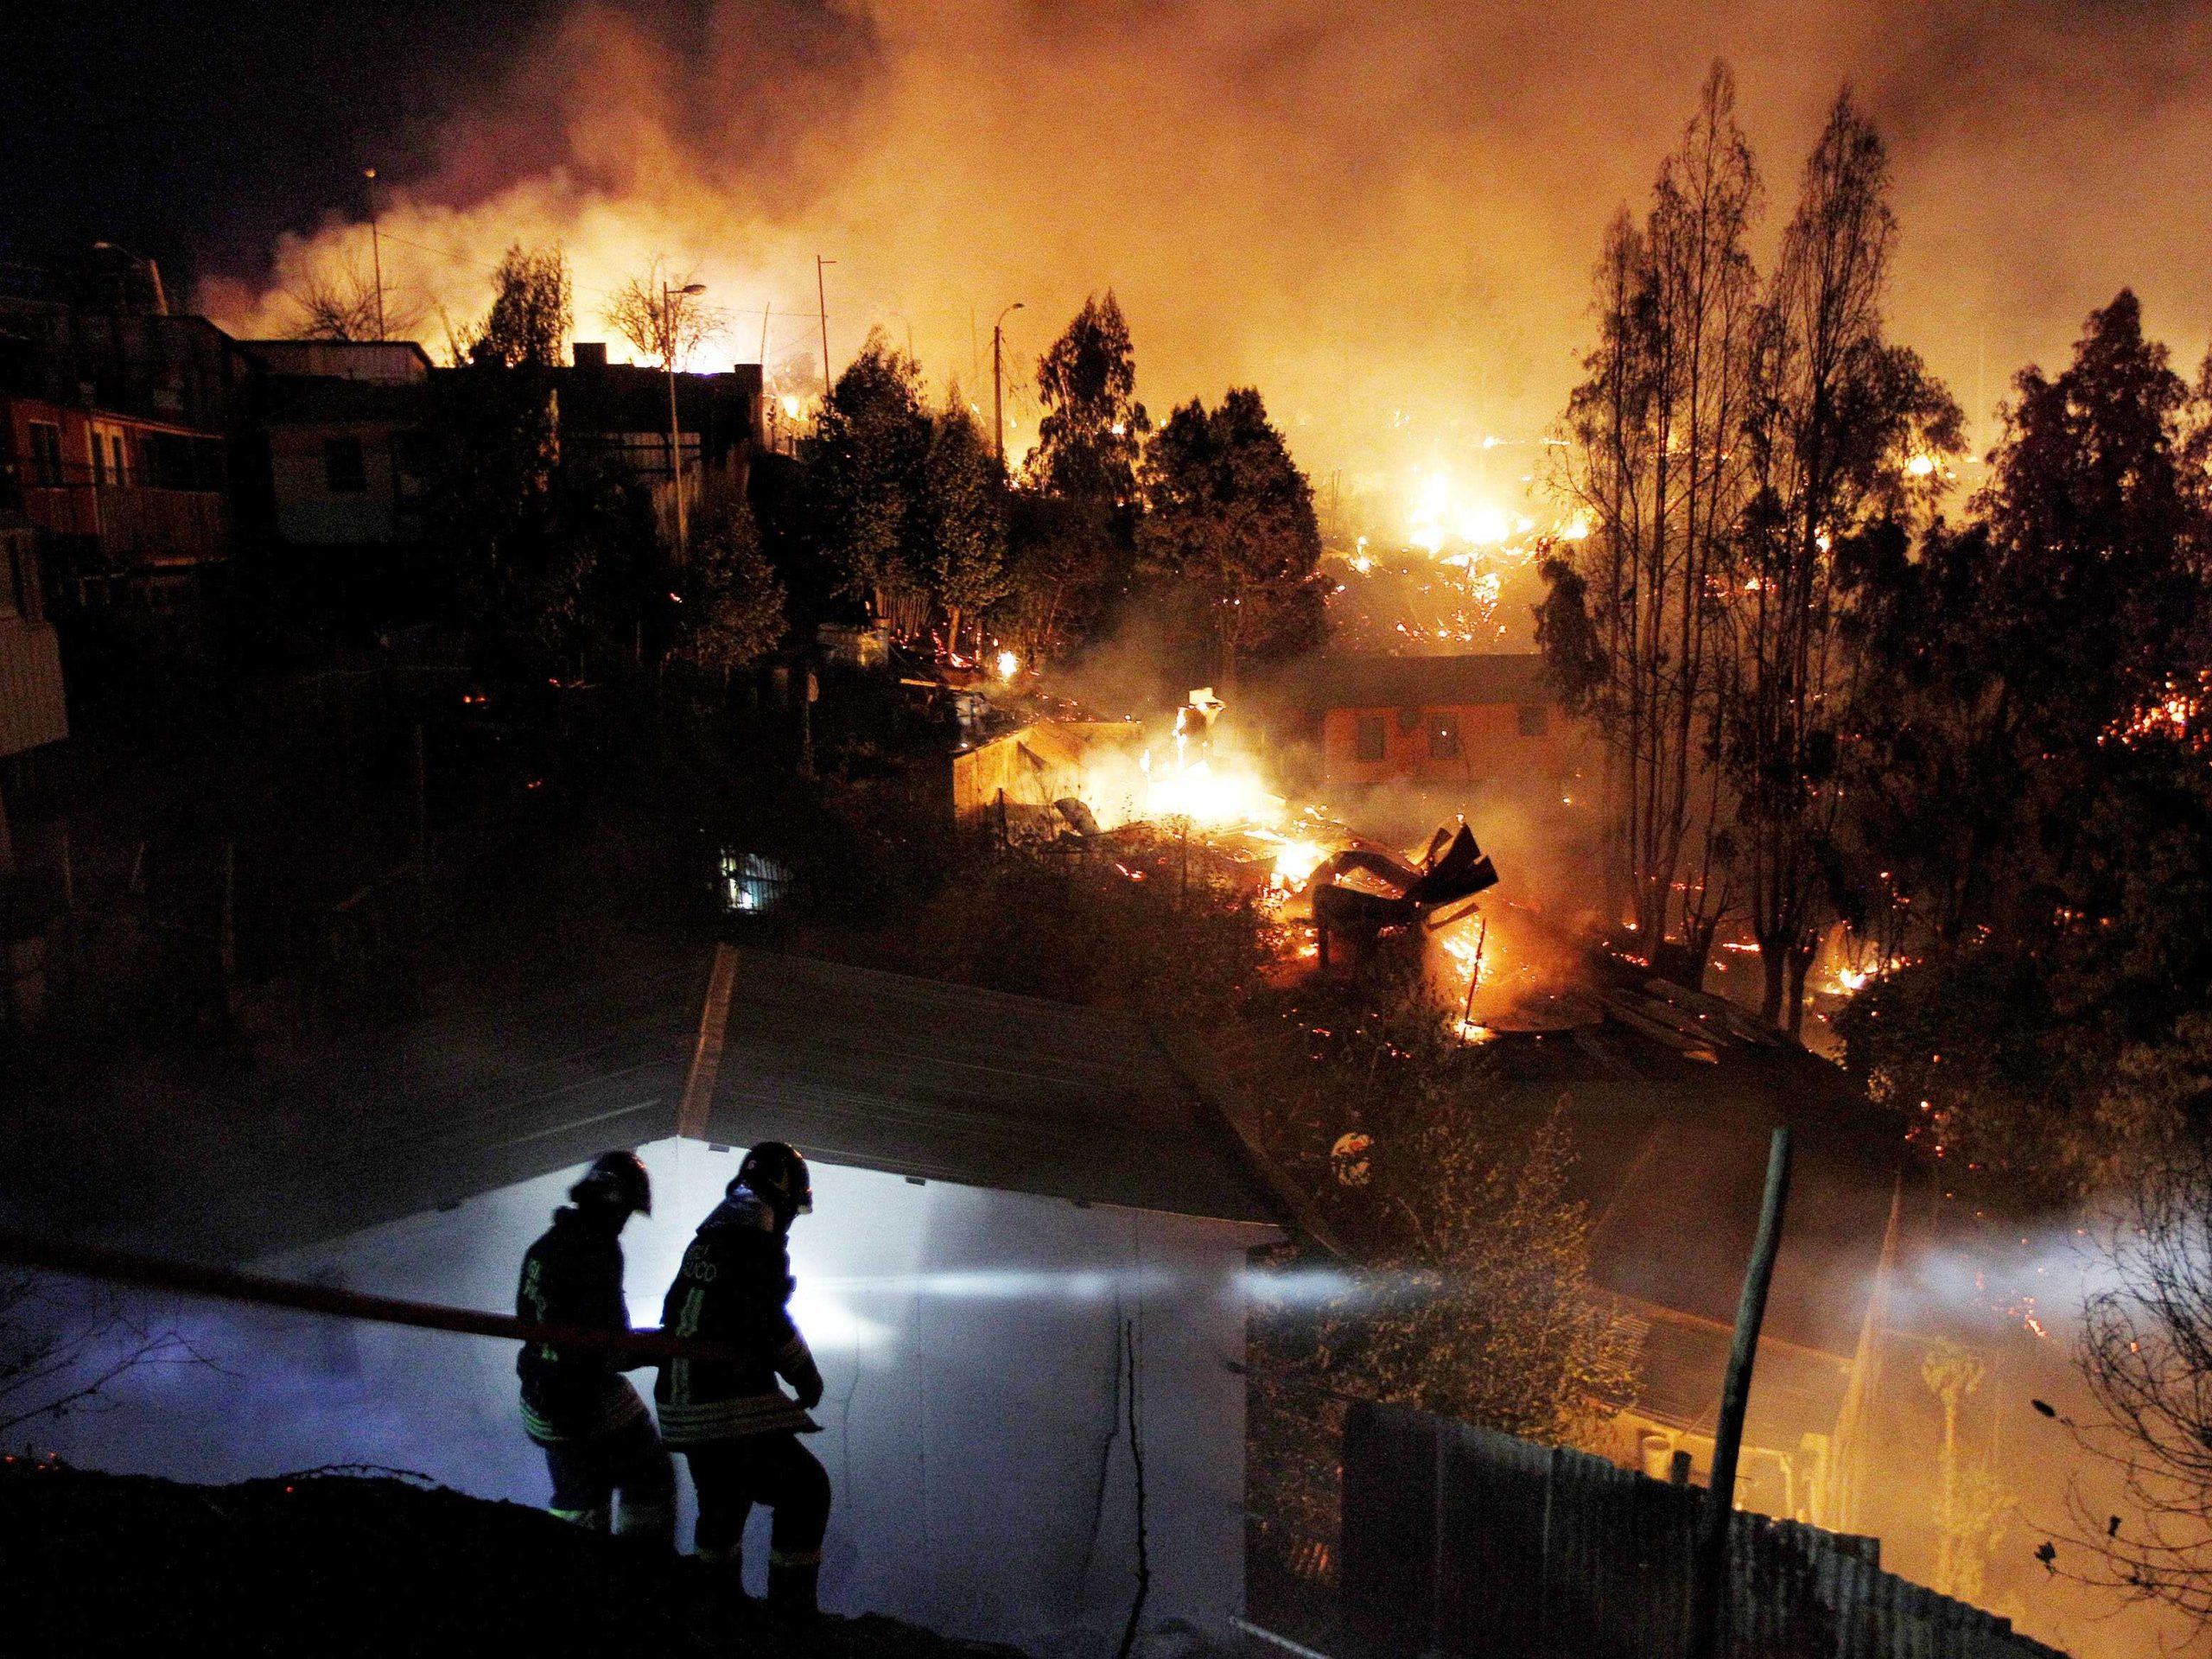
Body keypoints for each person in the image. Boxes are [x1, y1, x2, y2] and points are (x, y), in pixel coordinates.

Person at [658, 1141, 832, 1620]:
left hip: (680, 1401)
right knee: (807, 1489)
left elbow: (675, 1311)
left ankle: (715, 1608)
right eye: (793, 1206)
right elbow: (768, 1322)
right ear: (781, 1193)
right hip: (724, 1402)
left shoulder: (710, 1234)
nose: (792, 1218)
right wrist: (806, 1375)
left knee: (723, 1502)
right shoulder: (758, 1241)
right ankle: (790, 1618)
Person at [515, 1148, 674, 1545]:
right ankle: (644, 1567)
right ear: (613, 1205)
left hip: (541, 1395)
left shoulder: (545, 1246)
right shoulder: (597, 1251)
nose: (623, 1224)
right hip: (581, 1397)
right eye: (625, 1213)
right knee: (650, 1476)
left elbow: (528, 1320)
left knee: (580, 1495)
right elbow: (612, 1344)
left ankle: (581, 1578)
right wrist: (662, 1349)